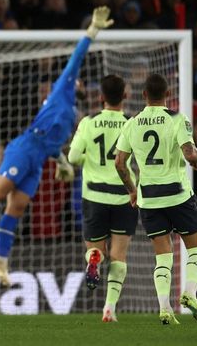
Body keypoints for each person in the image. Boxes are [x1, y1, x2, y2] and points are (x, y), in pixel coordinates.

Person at [0, 7, 114, 285]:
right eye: (79, 79)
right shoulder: (62, 88)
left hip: (38, 159)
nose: (80, 81)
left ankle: (1, 261)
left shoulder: (71, 113)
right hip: (24, 148)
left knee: (17, 208)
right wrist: (92, 32)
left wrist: (61, 161)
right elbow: (77, 58)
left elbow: (53, 146)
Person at [114, 74, 197, 325]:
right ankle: (189, 293)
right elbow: (190, 154)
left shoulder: (132, 122)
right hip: (177, 195)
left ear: (144, 95)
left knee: (163, 257)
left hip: (150, 199)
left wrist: (132, 190)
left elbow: (120, 162)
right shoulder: (177, 118)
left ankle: (165, 308)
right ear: (167, 94)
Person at [67, 75, 136, 323]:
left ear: (101, 97)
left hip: (94, 195)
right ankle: (109, 309)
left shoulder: (88, 122)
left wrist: (91, 161)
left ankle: (94, 258)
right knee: (119, 255)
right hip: (123, 195)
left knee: (96, 248)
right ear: (125, 96)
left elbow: (73, 157)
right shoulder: (131, 123)